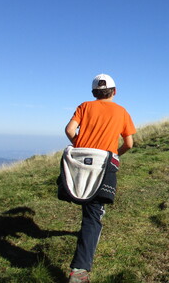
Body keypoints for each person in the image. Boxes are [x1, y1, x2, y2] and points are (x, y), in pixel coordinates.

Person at [64, 74, 136, 283]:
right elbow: (129, 143)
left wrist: (80, 146)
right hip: (103, 165)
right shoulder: (122, 112)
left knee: (84, 201)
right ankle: (79, 272)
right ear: (114, 91)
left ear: (94, 92)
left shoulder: (84, 106)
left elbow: (69, 130)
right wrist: (114, 155)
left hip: (79, 162)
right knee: (93, 216)